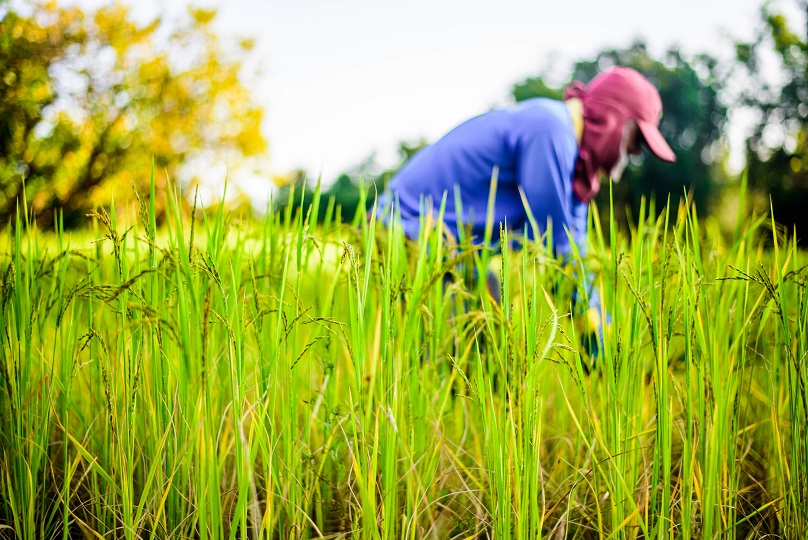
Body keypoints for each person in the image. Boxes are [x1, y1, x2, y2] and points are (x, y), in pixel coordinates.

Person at [375, 67, 676, 353]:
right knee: (463, 356)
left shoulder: (575, 165)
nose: (636, 153)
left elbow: (576, 257)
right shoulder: (550, 131)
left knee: (490, 326)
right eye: (637, 139)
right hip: (404, 234)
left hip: (449, 253)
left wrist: (606, 340)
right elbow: (560, 254)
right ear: (615, 120)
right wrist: (602, 352)